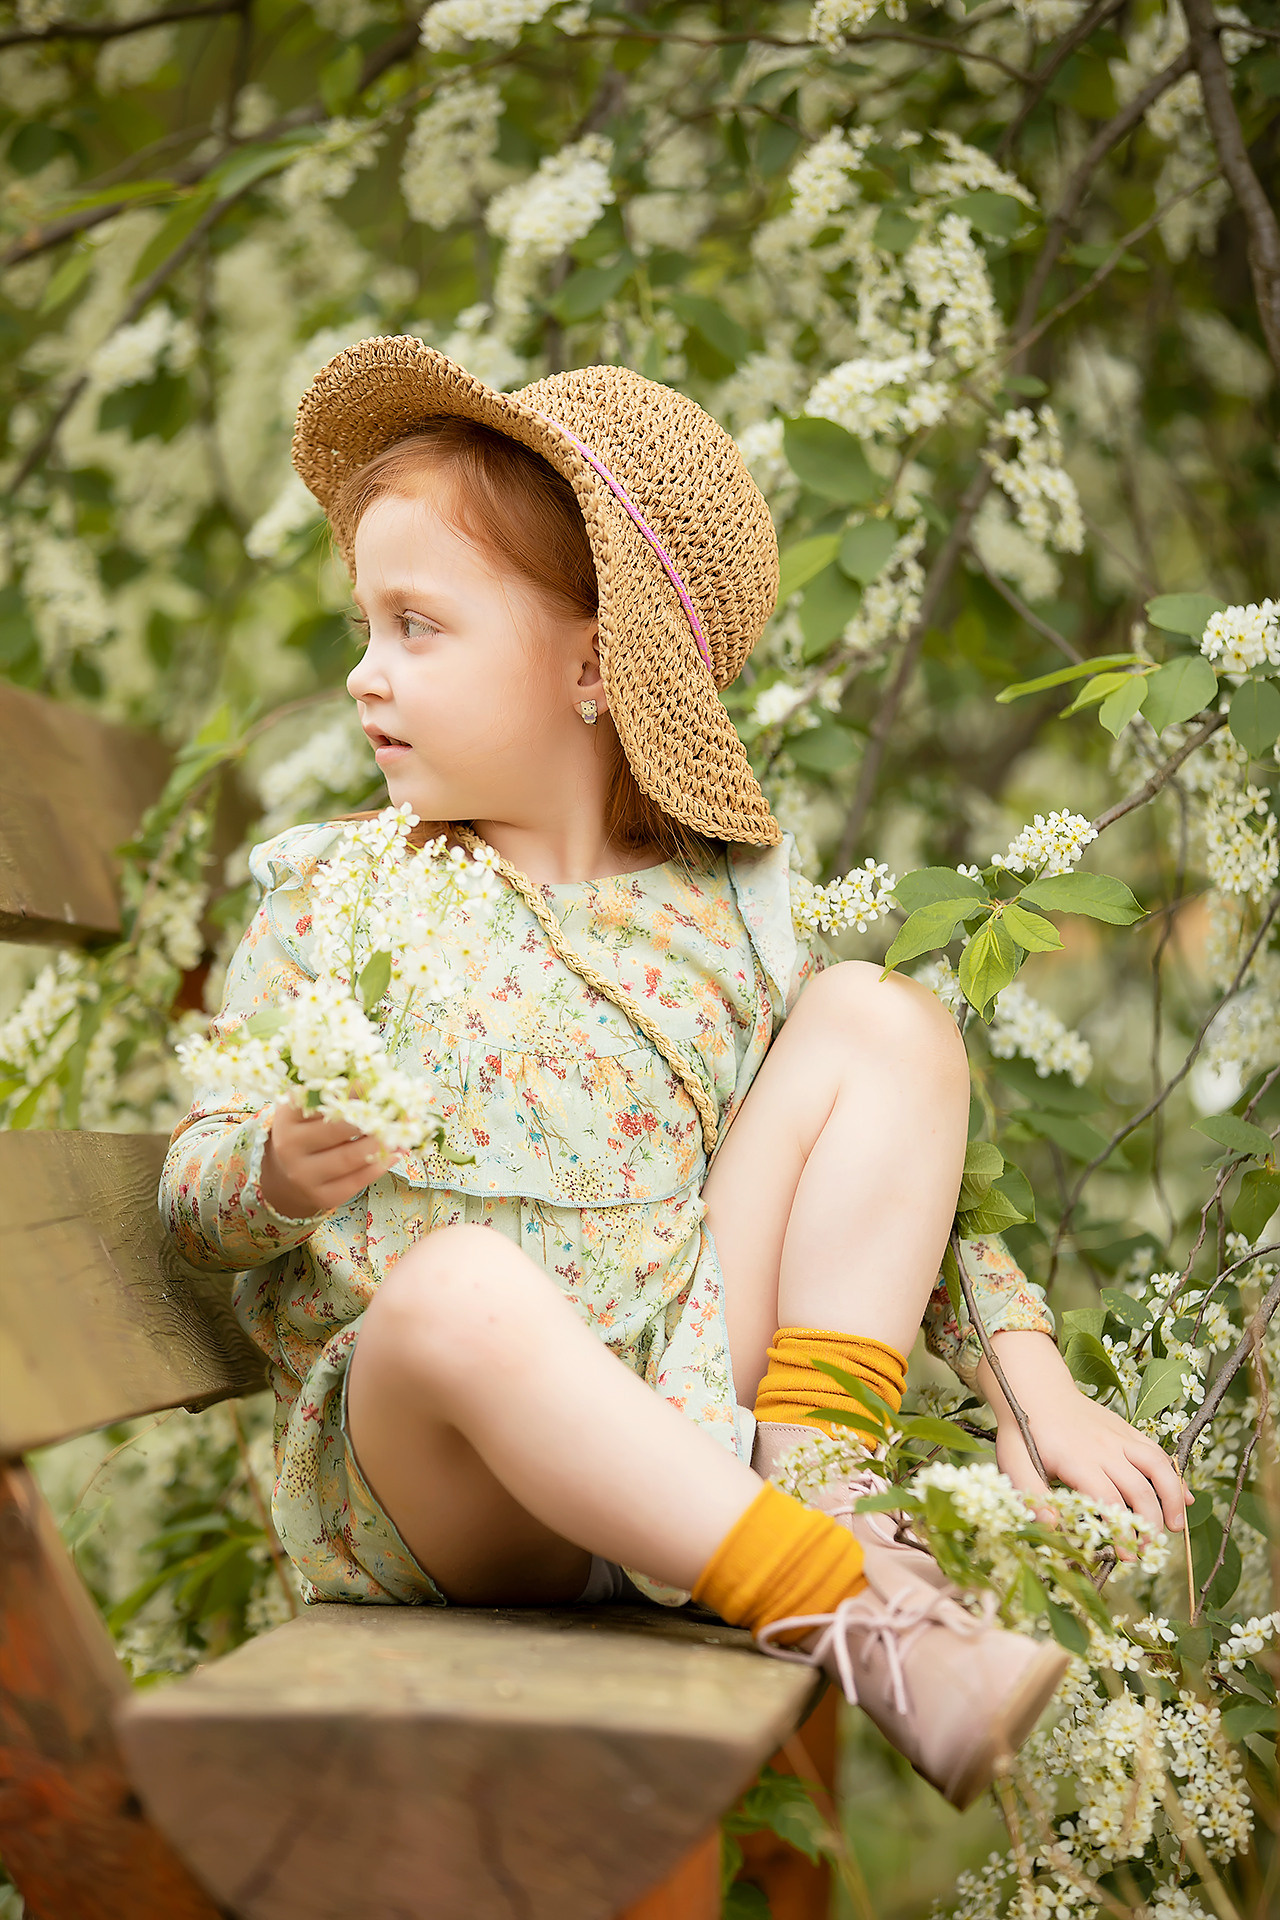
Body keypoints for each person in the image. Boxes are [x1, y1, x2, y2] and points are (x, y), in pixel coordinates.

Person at [162, 339, 1189, 1811]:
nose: (361, 671)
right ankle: (844, 1603)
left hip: (688, 1402)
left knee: (884, 1017)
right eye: (363, 623)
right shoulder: (336, 894)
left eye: (417, 627)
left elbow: (885, 1201)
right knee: (458, 1287)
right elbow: (191, 1204)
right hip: (444, 1482)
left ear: (593, 666)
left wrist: (1031, 1383)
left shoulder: (721, 910)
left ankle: (818, 1495)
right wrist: (267, 1171)